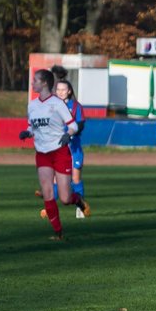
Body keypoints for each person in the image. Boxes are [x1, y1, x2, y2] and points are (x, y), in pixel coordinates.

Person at [19, 68, 89, 239]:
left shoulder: (58, 103)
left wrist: (68, 135)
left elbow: (72, 125)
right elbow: (32, 126)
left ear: (44, 83)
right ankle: (58, 233)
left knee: (65, 198)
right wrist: (27, 133)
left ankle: (78, 201)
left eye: (35, 80)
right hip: (42, 154)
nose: (32, 83)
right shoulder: (32, 105)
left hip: (60, 152)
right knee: (48, 193)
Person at [52, 69, 89, 218]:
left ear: (69, 91)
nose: (60, 92)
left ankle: (81, 206)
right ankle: (51, 208)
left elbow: (80, 124)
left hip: (73, 148)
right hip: (57, 148)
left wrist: (70, 133)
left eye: (63, 90)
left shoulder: (75, 106)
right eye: (58, 90)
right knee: (55, 179)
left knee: (75, 179)